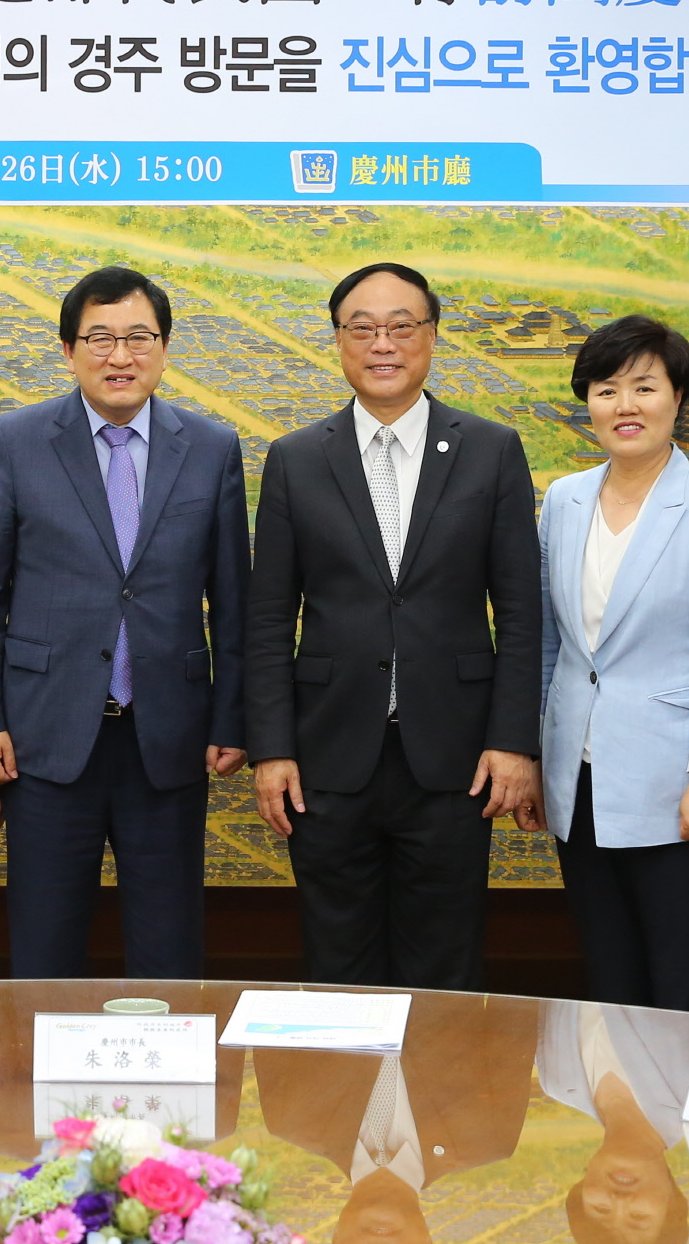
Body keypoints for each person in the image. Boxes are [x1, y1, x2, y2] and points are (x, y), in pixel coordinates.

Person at [248, 261, 542, 990]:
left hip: (455, 755)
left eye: (401, 326)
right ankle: (346, 1075)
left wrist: (512, 741)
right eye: (363, 328)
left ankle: (435, 1075)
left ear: (432, 337)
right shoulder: (295, 458)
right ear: (339, 341)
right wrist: (272, 749)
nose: (383, 343)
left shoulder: (491, 449)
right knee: (337, 964)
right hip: (327, 757)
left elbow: (520, 611)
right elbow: (268, 618)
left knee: (444, 966)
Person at [0, 266, 249, 980]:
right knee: (45, 947)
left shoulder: (211, 447)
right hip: (45, 735)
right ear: (68, 350)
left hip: (169, 735)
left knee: (168, 949)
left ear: (165, 347)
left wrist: (231, 719)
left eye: (138, 338)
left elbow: (234, 600)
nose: (120, 356)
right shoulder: (15, 441)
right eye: (100, 339)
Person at [538, 315, 689, 1013]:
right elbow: (550, 644)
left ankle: (679, 1093)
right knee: (608, 979)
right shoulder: (564, 500)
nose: (624, 406)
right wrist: (541, 760)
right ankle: (617, 1094)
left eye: (644, 387)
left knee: (678, 983)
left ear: (678, 397)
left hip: (676, 786)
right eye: (606, 390)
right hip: (578, 779)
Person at [253, 992, 539, 1244]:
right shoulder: (488, 1139)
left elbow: (269, 993)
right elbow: (515, 1003)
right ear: (427, 1239)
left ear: (336, 1236)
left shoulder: (291, 1119)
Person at [538, 1000, 689, 1244]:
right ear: (673, 1200)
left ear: (580, 1192)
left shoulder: (556, 1081)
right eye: (638, 1217)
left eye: (601, 1209)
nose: (619, 1200)